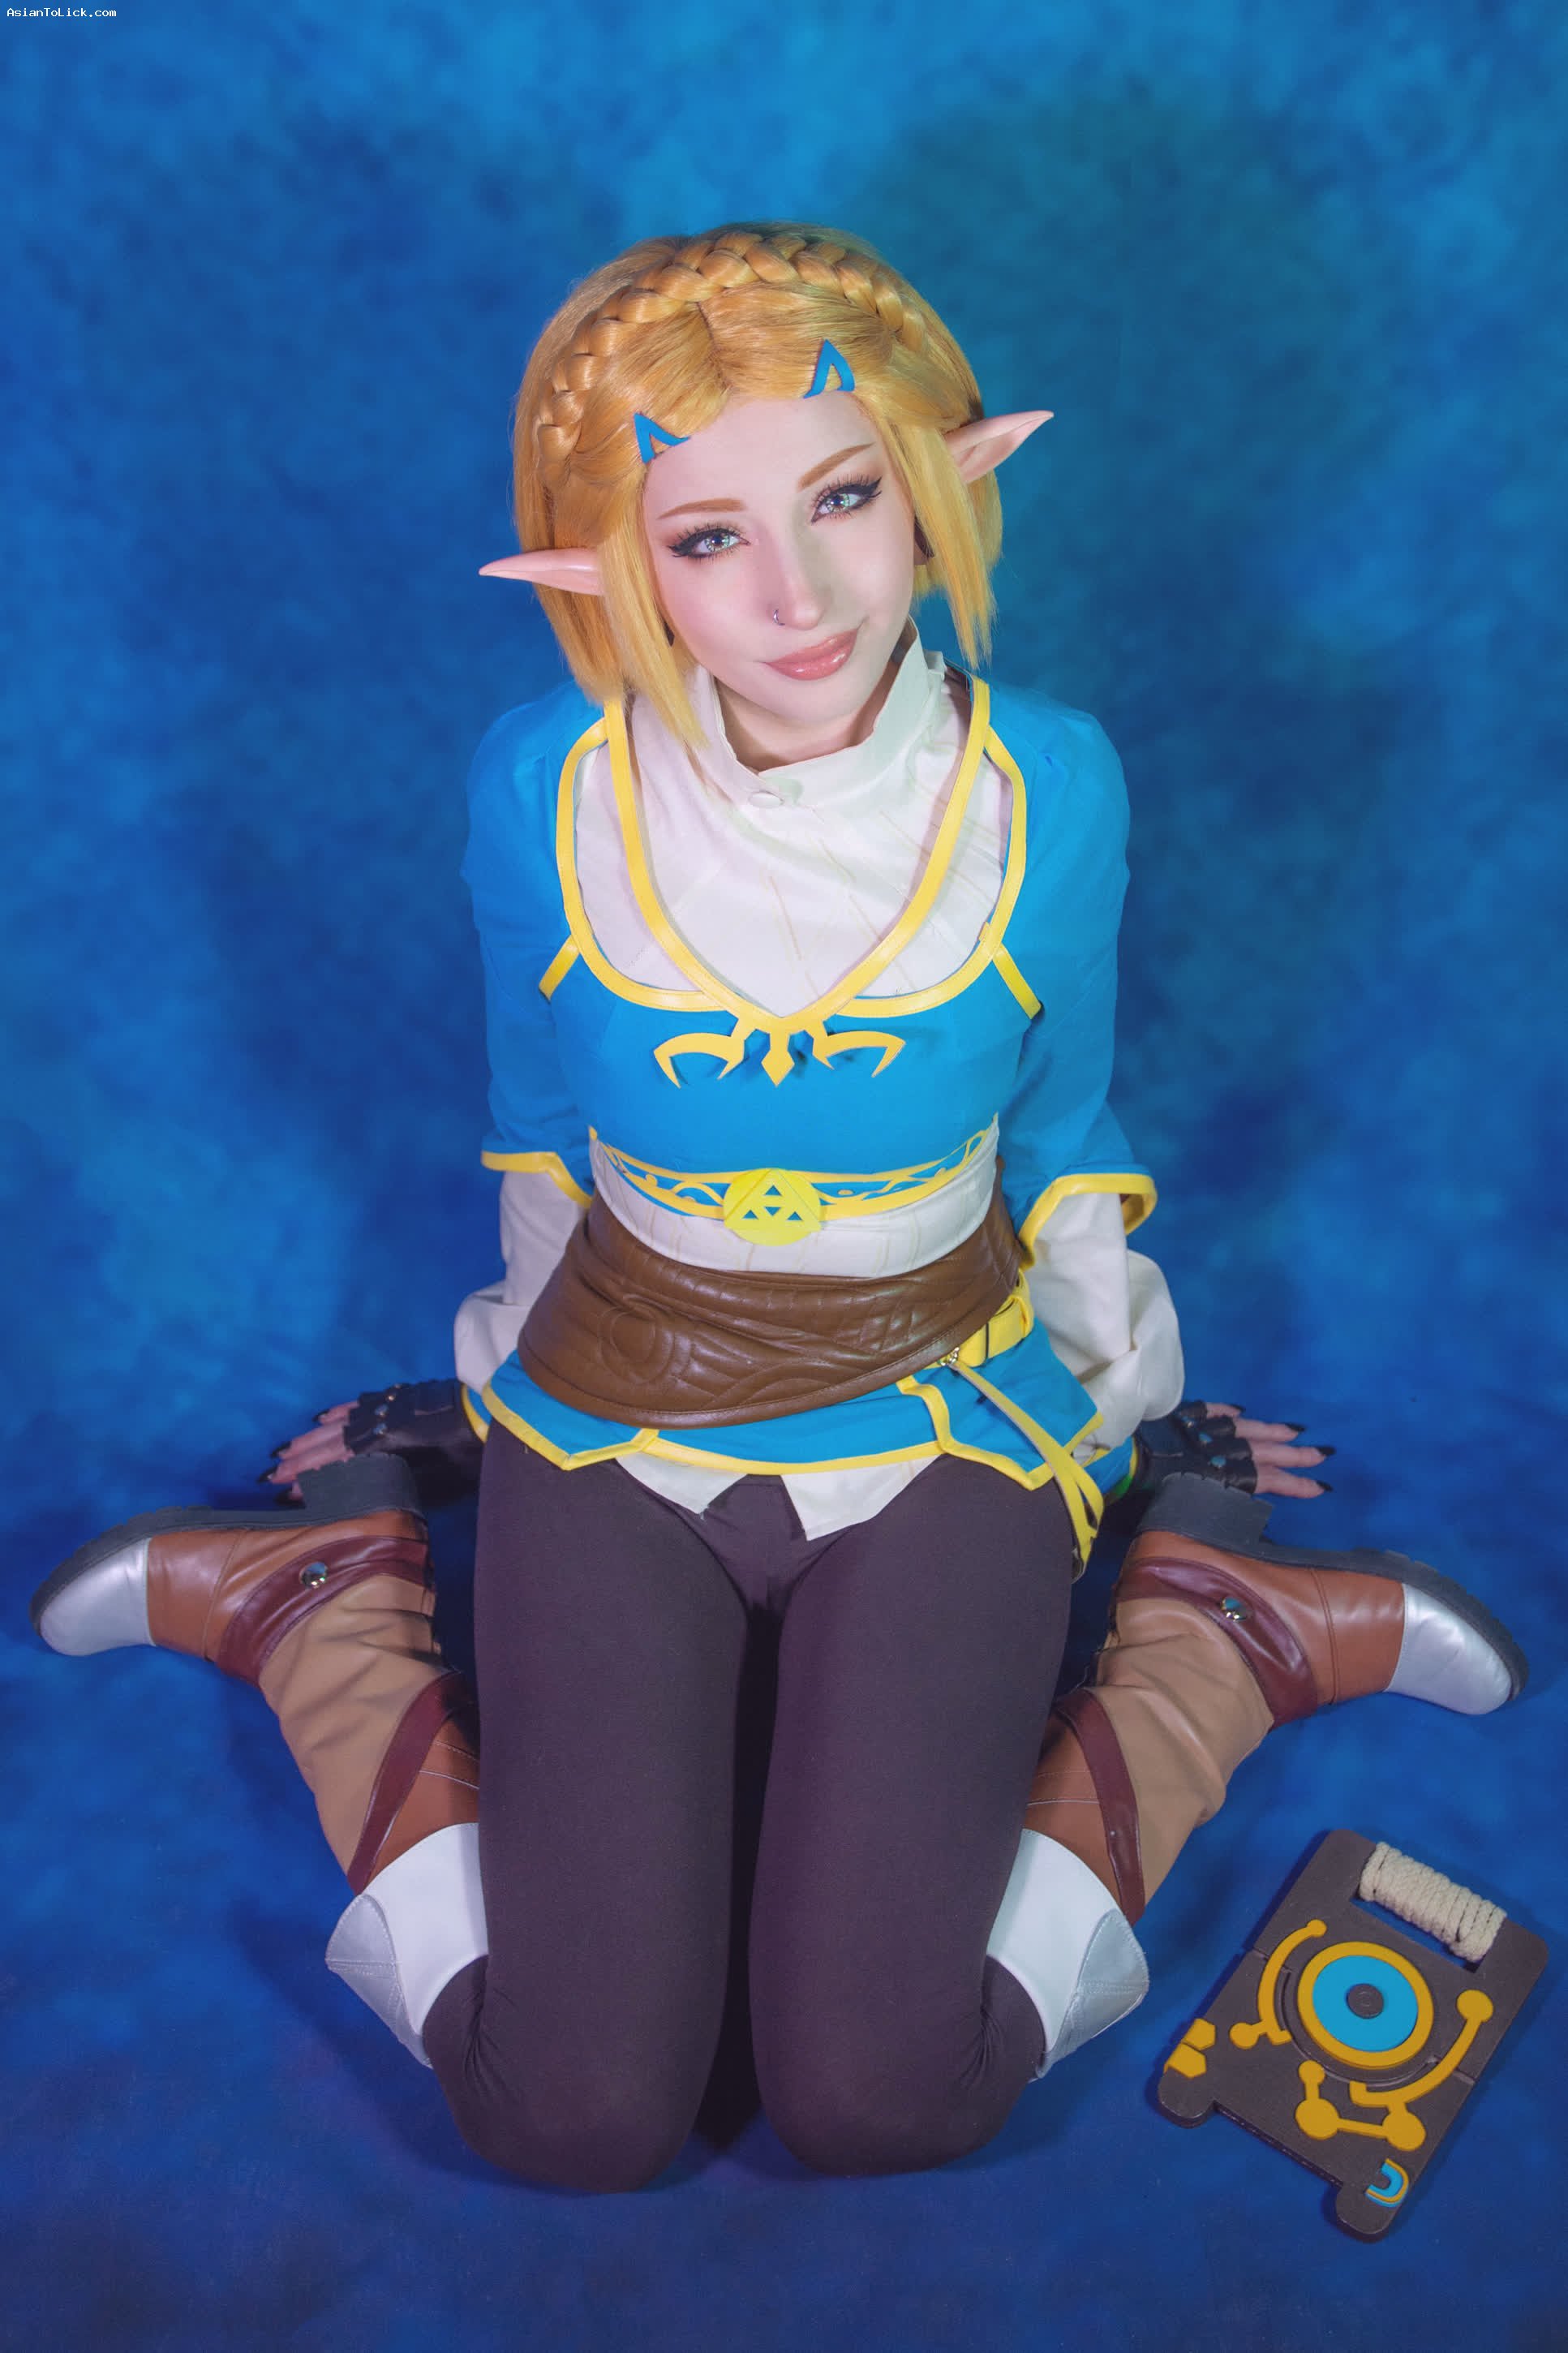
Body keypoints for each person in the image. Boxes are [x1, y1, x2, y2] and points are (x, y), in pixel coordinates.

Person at [30, 222, 1525, 2192]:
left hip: (942, 1412)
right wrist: (504, 1400)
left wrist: (1102, 1424)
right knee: (574, 2112)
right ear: (606, 566)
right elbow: (537, 1127)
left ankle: (1213, 1640)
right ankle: (328, 1609)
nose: (798, 593)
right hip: (611, 1406)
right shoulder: (541, 784)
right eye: (706, 534)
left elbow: (1064, 1127)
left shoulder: (1049, 783)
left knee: (882, 2093)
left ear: (938, 482)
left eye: (843, 497)